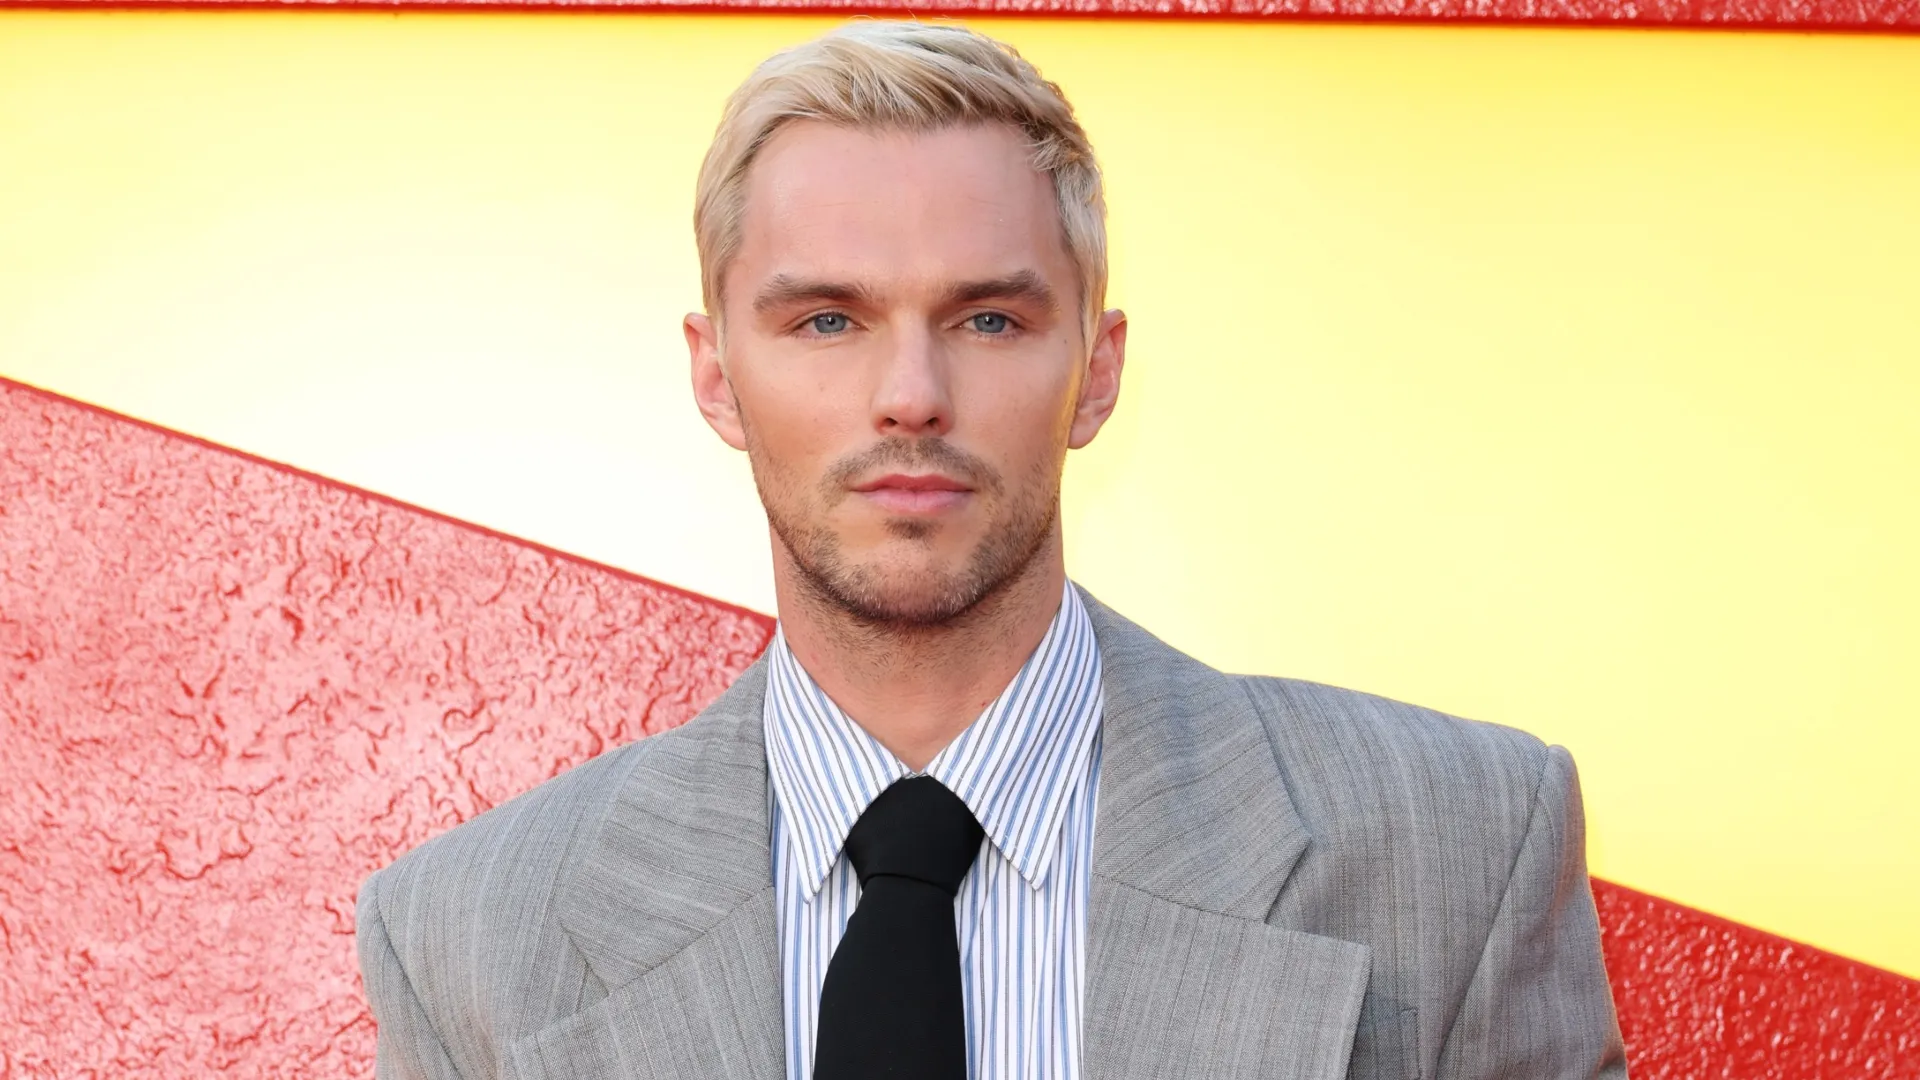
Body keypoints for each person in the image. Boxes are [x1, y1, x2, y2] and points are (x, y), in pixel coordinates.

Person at [356, 21, 1627, 1080]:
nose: (911, 393)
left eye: (988, 317)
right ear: (716, 376)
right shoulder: (469, 937)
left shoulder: (1461, 838)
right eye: (827, 319)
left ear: (1096, 371)